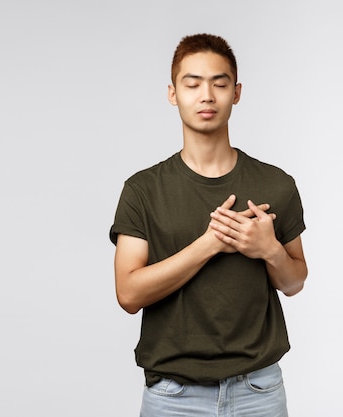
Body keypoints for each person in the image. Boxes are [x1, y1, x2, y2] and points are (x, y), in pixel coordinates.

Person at [109, 33, 308, 416]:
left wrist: (268, 250)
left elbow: (295, 281)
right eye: (193, 83)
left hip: (259, 390)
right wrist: (210, 243)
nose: (207, 95)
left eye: (219, 83)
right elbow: (128, 295)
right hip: (173, 396)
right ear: (173, 93)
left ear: (236, 92)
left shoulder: (276, 184)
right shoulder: (143, 190)